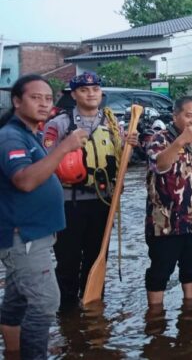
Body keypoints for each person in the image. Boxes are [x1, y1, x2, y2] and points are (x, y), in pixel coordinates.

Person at [0, 75, 87, 359]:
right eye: (35, 97)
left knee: (17, 302)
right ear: (17, 101)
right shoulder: (11, 136)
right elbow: (24, 181)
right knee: (45, 302)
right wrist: (65, 147)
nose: (43, 103)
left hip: (33, 234)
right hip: (23, 237)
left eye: (48, 98)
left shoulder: (30, 133)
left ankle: (13, 351)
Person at [42, 71, 138, 311]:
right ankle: (66, 313)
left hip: (102, 202)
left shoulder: (112, 123)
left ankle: (93, 311)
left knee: (96, 257)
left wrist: (129, 146)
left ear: (101, 93)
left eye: (95, 89)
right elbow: (46, 160)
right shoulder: (60, 124)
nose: (91, 93)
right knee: (68, 262)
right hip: (69, 204)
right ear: (74, 94)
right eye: (84, 90)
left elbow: (120, 160)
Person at [145, 96, 192, 307]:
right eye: (189, 115)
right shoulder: (159, 138)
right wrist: (180, 141)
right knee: (159, 273)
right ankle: (155, 321)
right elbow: (160, 165)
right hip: (165, 224)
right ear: (175, 116)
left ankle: (190, 316)